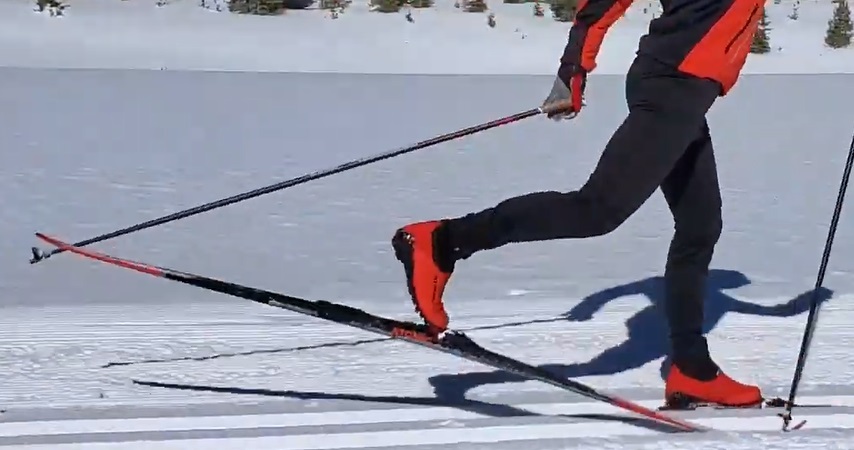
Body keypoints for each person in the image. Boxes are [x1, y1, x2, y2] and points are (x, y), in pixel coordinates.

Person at [390, 0, 765, 408]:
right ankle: (443, 241)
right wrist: (573, 68)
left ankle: (692, 370)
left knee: (700, 226)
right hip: (672, 83)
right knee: (598, 209)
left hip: (687, 91)